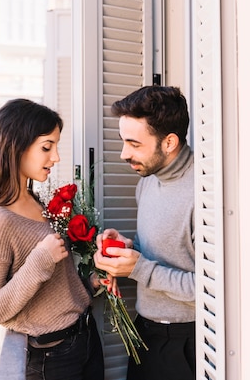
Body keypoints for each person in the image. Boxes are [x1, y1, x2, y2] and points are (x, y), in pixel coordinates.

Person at [0, 98, 104, 380]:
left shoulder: (37, 201)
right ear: (16, 146)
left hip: (85, 339)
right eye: (46, 147)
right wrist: (41, 260)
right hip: (51, 359)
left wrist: (91, 285)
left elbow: (53, 291)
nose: (56, 157)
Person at [93, 85, 195, 380]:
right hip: (144, 334)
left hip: (186, 345)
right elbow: (166, 250)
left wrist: (139, 267)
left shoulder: (206, 192)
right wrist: (128, 247)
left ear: (169, 142)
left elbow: (211, 290)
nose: (124, 154)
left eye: (134, 143)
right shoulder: (147, 182)